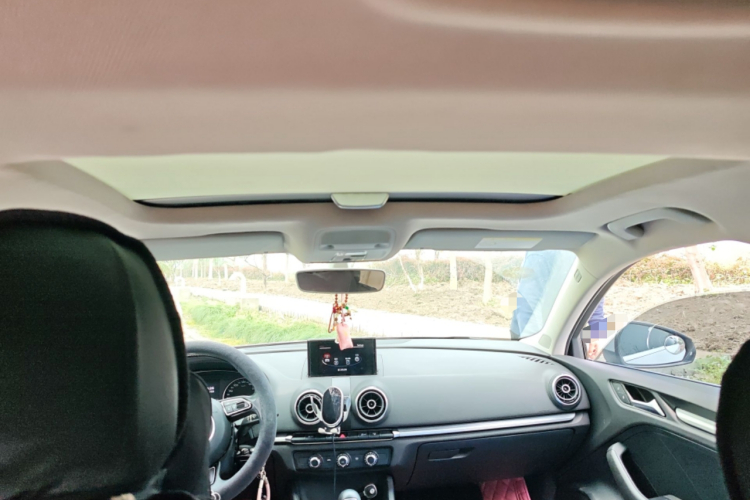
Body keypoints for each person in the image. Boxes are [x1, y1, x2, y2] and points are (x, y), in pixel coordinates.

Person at [510, 250, 606, 356]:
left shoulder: (589, 249)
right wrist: (532, 346)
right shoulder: (542, 253)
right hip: (532, 334)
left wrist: (596, 334)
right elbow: (528, 304)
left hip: (567, 330)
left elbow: (594, 287)